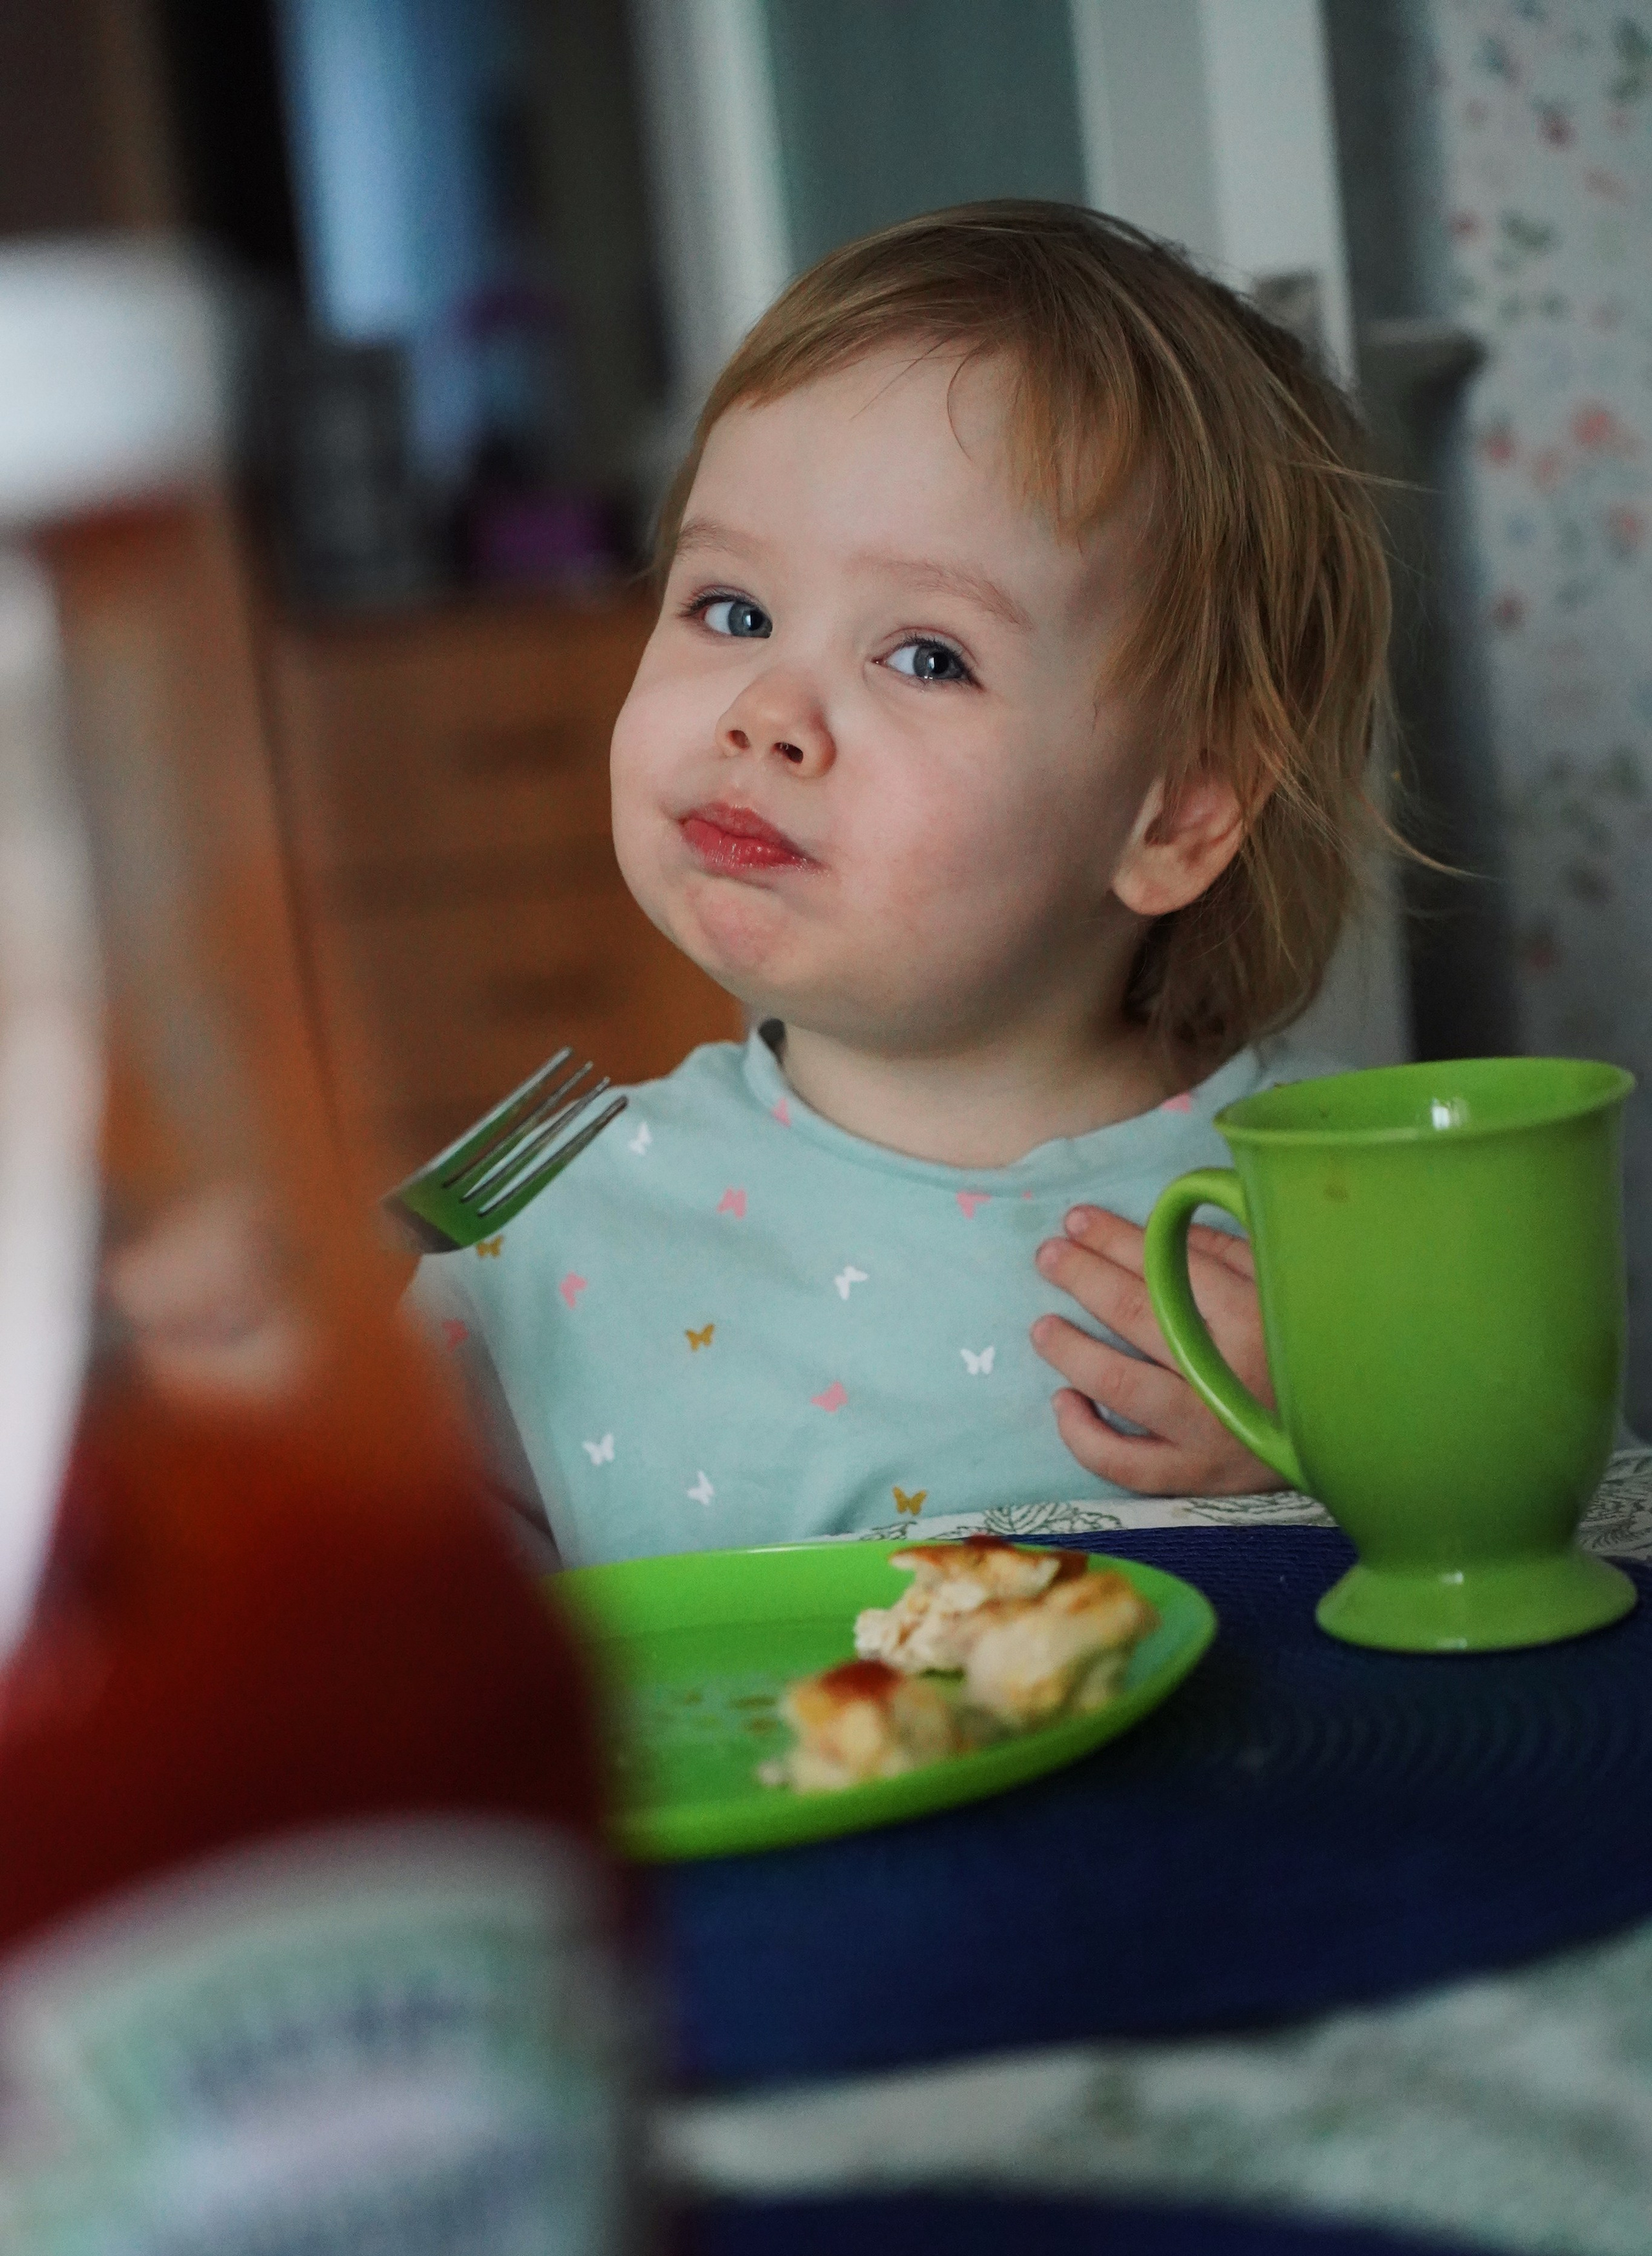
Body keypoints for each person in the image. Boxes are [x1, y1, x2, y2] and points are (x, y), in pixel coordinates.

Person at [409, 200, 1393, 1571]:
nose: (765, 711)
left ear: (1172, 815)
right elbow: (391, 1650)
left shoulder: (1351, 1208)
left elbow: (1572, 1599)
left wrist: (1350, 1464)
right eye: (729, 610)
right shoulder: (535, 1232)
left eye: (925, 656)